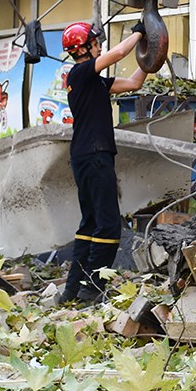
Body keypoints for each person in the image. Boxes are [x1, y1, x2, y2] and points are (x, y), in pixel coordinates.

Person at [58, 20, 150, 304]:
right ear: (83, 48)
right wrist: (139, 31)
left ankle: (72, 291)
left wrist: (151, 54)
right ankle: (93, 288)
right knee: (109, 225)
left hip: (86, 156)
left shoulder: (91, 81)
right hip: (95, 156)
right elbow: (119, 53)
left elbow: (134, 82)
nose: (100, 45)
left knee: (90, 224)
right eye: (95, 41)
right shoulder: (80, 72)